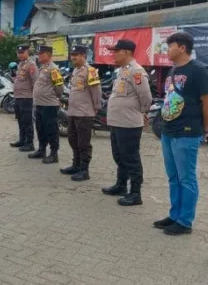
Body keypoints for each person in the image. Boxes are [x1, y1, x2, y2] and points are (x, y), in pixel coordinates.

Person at [153, 32, 208, 235]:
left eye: (170, 46)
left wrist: (205, 128)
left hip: (187, 132)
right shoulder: (172, 70)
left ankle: (185, 221)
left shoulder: (198, 70)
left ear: (182, 47)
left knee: (186, 177)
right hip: (168, 130)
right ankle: (174, 215)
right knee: (173, 177)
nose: (167, 50)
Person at [102, 39, 152, 206]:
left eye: (117, 51)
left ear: (127, 52)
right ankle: (121, 185)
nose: (114, 54)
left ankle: (135, 193)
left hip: (129, 123)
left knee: (131, 158)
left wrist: (142, 112)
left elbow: (146, 97)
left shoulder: (136, 71)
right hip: (118, 122)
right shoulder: (122, 71)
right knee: (119, 155)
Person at [60, 45, 102, 181]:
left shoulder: (91, 71)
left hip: (84, 113)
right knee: (73, 139)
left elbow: (96, 92)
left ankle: (84, 170)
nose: (73, 57)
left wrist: (95, 108)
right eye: (72, 55)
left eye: (76, 55)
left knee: (84, 142)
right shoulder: (75, 71)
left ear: (83, 56)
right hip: (73, 112)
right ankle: (76, 165)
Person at [28, 45, 63, 164]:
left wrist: (52, 96)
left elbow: (59, 88)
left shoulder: (53, 69)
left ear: (49, 55)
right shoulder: (42, 68)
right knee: (40, 128)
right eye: (39, 54)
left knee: (51, 130)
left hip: (49, 105)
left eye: (42, 54)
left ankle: (54, 154)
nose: (40, 56)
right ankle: (41, 149)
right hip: (40, 104)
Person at [10, 45, 38, 152]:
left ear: (27, 53)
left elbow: (35, 81)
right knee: (20, 120)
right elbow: (19, 79)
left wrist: (34, 96)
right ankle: (22, 140)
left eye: (22, 52)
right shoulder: (21, 64)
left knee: (27, 121)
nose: (20, 54)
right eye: (18, 52)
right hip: (18, 97)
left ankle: (30, 143)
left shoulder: (31, 65)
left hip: (26, 98)